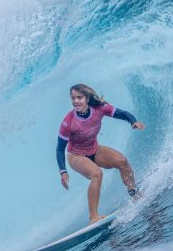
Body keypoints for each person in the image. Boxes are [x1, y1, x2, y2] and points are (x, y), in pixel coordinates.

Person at [56, 83, 145, 223]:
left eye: (79, 97)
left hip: (94, 149)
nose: (75, 101)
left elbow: (124, 114)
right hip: (76, 155)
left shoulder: (100, 108)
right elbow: (59, 149)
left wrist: (133, 122)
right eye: (73, 98)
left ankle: (134, 193)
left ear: (87, 98)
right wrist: (63, 171)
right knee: (96, 174)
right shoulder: (68, 122)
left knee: (122, 161)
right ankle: (93, 217)